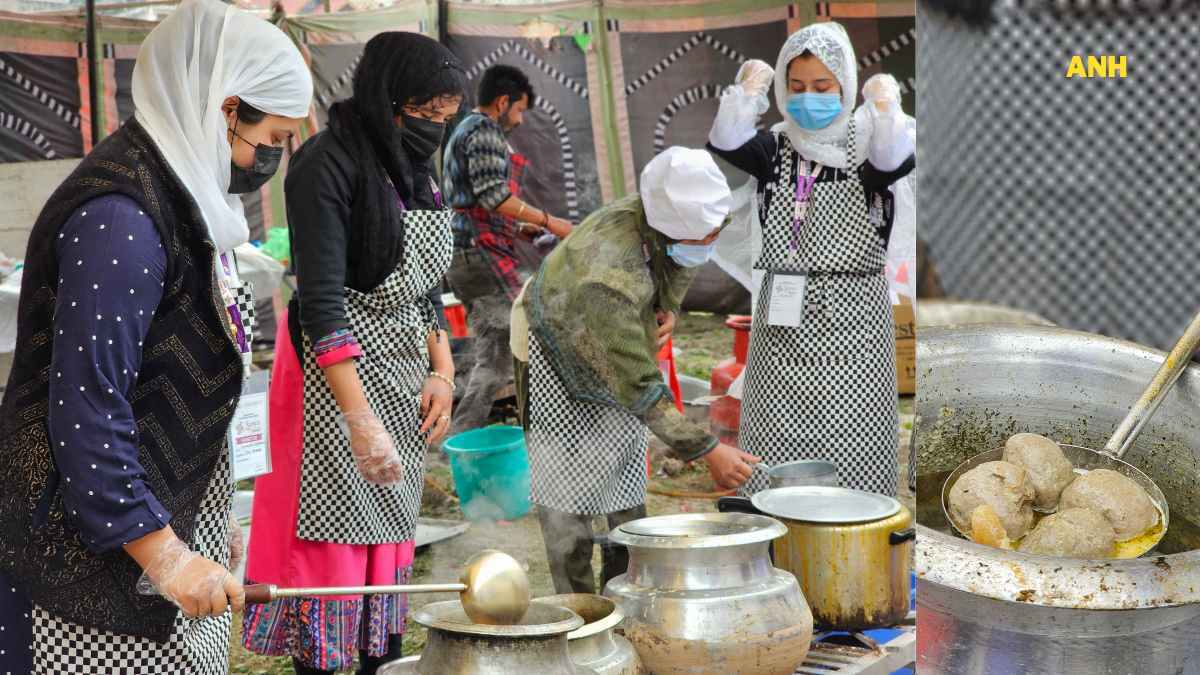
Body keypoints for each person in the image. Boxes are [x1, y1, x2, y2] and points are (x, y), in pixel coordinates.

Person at [0, 0, 312, 672]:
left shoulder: (180, 193)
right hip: (86, 567)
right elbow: (86, 406)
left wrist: (200, 506)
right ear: (225, 109)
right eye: (274, 140)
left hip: (147, 530)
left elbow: (168, 379)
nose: (273, 161)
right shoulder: (122, 219)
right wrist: (163, 551)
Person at [240, 32, 466, 675]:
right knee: (333, 533)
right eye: (425, 114)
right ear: (386, 99)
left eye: (445, 118)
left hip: (402, 368)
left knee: (389, 523)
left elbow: (427, 285)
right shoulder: (322, 165)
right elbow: (323, 305)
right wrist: (358, 418)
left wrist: (442, 371)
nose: (434, 129)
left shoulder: (414, 168)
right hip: (329, 377)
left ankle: (381, 660)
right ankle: (322, 662)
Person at [511, 146, 760, 594]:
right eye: (702, 239)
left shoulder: (663, 217)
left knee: (622, 466)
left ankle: (627, 589)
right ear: (670, 227)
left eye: (712, 235)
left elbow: (680, 263)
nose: (709, 245)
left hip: (614, 325)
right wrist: (707, 449)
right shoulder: (609, 276)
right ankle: (578, 608)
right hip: (556, 343)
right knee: (565, 485)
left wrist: (666, 305)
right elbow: (640, 388)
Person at [708, 22, 915, 496]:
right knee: (777, 439)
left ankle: (857, 522)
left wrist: (886, 108)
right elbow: (725, 143)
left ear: (844, 85)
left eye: (822, 87)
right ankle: (779, 528)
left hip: (855, 322)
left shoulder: (865, 142)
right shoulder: (774, 147)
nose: (808, 98)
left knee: (855, 438)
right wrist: (747, 93)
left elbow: (891, 160)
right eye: (795, 87)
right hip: (783, 319)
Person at [442, 64, 573, 437]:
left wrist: (521, 228)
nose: (519, 120)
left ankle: (526, 431)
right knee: (499, 357)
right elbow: (494, 196)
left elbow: (476, 204)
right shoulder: (484, 132)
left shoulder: (463, 129)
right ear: (502, 102)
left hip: (471, 253)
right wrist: (551, 221)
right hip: (479, 256)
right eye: (518, 110)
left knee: (504, 346)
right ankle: (462, 438)